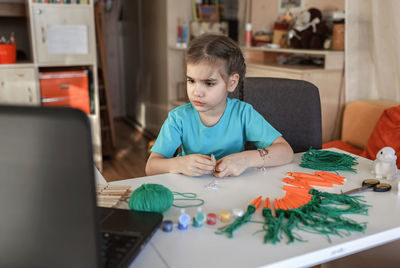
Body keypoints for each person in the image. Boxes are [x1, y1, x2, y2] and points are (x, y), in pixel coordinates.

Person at [145, 34, 294, 177]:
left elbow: (286, 151)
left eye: (209, 83)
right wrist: (178, 164)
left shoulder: (243, 113)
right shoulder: (178, 118)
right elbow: (151, 167)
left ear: (232, 82)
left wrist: (246, 160)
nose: (197, 92)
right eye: (191, 81)